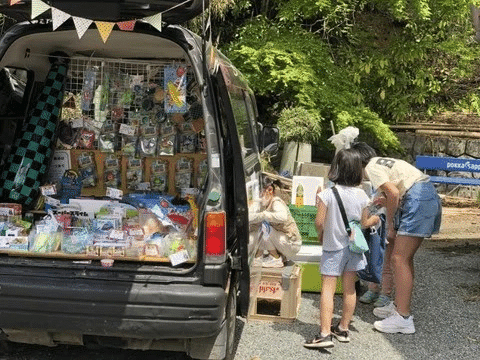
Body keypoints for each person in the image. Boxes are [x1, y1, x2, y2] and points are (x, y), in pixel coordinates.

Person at [351, 141, 442, 334]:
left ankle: (403, 317)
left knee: (399, 258)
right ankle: (400, 307)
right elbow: (396, 190)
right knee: (404, 259)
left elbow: (393, 192)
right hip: (423, 194)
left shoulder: (370, 167)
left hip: (417, 198)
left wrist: (391, 225)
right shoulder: (379, 161)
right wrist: (387, 200)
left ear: (357, 162)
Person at [304, 148, 380, 349]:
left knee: (328, 290)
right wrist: (375, 219)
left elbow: (319, 222)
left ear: (335, 168)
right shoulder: (362, 195)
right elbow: (364, 222)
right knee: (349, 289)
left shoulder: (327, 194)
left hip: (333, 248)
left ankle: (324, 333)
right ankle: (343, 328)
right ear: (357, 170)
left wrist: (321, 236)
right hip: (354, 248)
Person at [249, 179, 301, 267]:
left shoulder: (276, 202)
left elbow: (283, 217)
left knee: (264, 227)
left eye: (261, 193)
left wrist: (264, 215)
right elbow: (248, 217)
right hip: (283, 241)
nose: (260, 196)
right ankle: (259, 256)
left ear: (269, 191)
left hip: (291, 243)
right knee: (262, 228)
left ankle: (274, 258)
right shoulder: (264, 203)